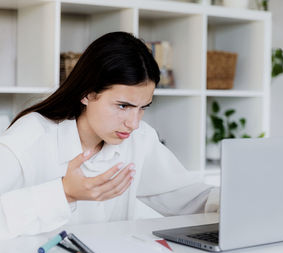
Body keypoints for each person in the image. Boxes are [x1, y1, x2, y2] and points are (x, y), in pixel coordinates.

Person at [0, 32, 219, 239]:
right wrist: (65, 192)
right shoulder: (29, 138)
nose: (134, 123)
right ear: (87, 93)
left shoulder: (139, 139)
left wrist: (237, 201)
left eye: (143, 107)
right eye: (123, 106)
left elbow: (186, 197)